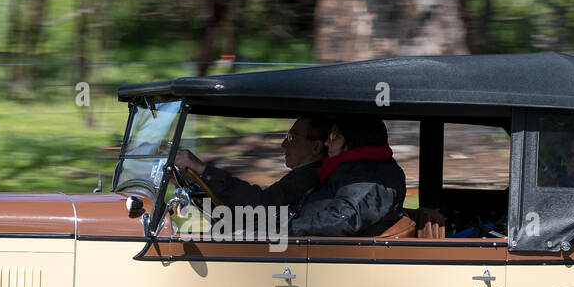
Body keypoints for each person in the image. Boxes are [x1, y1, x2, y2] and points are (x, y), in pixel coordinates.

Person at [173, 115, 334, 207]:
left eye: (292, 137)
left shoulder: (309, 179)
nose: (284, 144)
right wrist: (197, 187)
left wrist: (203, 169)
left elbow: (259, 204)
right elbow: (245, 215)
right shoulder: (304, 176)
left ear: (316, 147)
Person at [288, 114, 407, 237]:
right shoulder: (348, 170)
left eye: (335, 136)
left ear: (355, 139)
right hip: (312, 246)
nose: (327, 143)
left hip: (327, 251)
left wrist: (288, 229)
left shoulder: (372, 176)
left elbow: (344, 218)